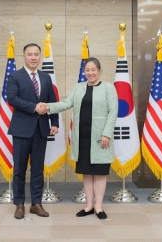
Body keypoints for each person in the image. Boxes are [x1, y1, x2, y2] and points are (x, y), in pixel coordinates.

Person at [41, 57, 117, 220]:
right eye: (87, 70)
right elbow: (67, 103)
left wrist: (106, 134)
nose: (90, 73)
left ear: (99, 71)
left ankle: (99, 207)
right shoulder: (79, 87)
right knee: (87, 173)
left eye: (93, 70)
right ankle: (89, 205)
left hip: (100, 138)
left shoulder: (108, 88)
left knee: (100, 173)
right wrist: (48, 106)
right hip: (82, 138)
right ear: (84, 72)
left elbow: (113, 112)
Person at [6, 43, 59, 220]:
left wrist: (55, 122)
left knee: (37, 170)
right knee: (19, 169)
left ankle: (36, 204)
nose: (33, 57)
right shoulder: (15, 76)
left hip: (41, 129)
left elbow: (53, 101)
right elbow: (12, 98)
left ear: (40, 56)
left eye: (36, 54)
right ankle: (19, 204)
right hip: (21, 129)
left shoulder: (46, 77)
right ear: (24, 56)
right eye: (30, 54)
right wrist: (34, 107)